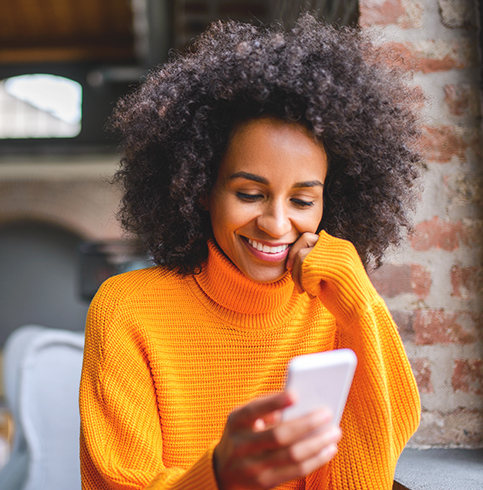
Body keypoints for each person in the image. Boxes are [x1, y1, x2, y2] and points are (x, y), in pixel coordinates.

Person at [79, 14, 422, 490]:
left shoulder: (336, 303)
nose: (277, 224)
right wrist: (219, 476)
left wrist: (360, 302)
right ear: (200, 189)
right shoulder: (126, 309)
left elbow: (378, 457)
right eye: (248, 193)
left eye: (302, 201)